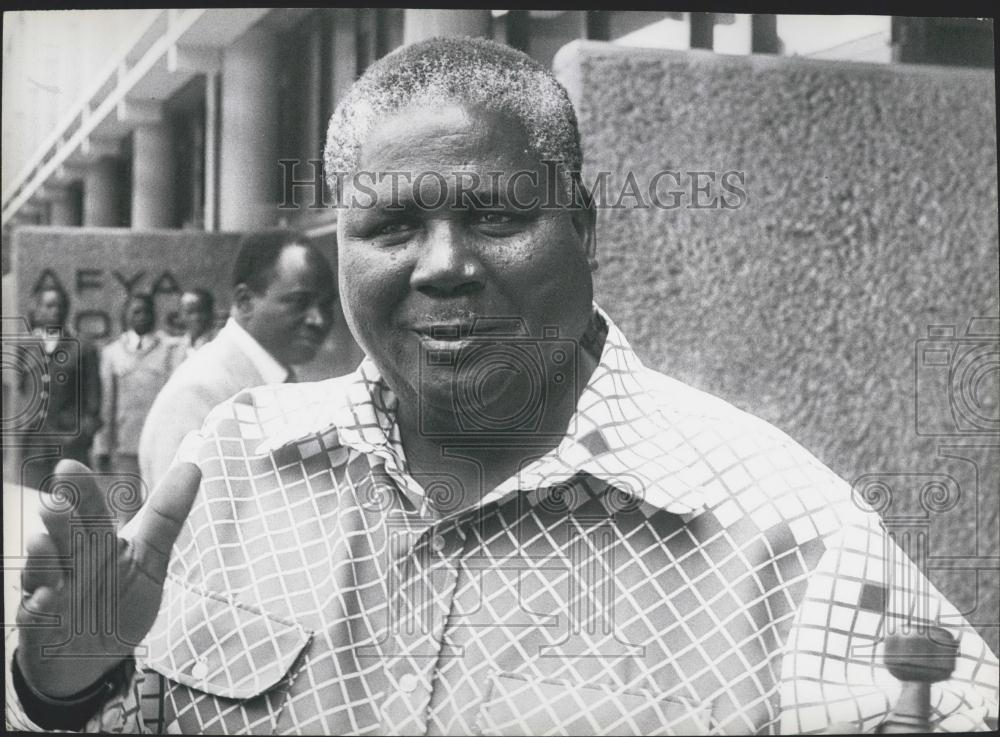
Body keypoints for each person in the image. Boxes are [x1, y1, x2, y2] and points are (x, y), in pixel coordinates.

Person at [9, 38, 998, 735]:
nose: (441, 265)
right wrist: (63, 680)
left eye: (494, 217)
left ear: (586, 227)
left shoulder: (786, 527)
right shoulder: (232, 459)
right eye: (391, 228)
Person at [137, 231, 336, 488]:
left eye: (327, 305)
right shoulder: (200, 392)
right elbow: (186, 523)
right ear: (244, 302)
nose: (318, 319)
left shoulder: (280, 378)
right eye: (299, 302)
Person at [13, 286, 102, 490]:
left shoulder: (82, 347)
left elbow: (94, 400)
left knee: (69, 506)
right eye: (50, 305)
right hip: (34, 445)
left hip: (70, 444)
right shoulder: (25, 347)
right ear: (37, 309)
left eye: (61, 306)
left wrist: (81, 436)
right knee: (32, 505)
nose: (56, 311)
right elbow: (19, 391)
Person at [92, 293, 184, 485]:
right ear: (126, 316)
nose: (142, 316)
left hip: (160, 443)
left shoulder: (170, 350)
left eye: (147, 312)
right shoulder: (113, 353)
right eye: (136, 312)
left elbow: (176, 398)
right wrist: (102, 446)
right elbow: (107, 404)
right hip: (125, 445)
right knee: (127, 508)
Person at [178, 288, 217, 353]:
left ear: (211, 312)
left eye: (201, 311)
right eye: (189, 312)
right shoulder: (176, 348)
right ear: (181, 315)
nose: (195, 317)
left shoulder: (220, 343)